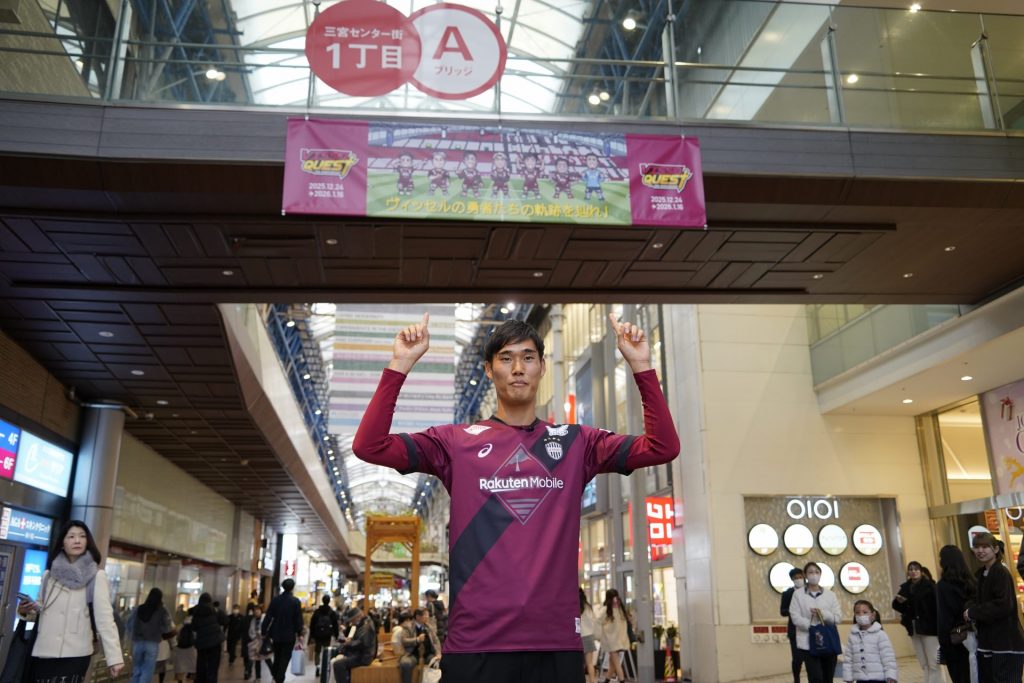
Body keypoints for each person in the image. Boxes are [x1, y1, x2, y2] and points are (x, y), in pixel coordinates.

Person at [352, 313, 679, 683]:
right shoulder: (454, 443)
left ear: (542, 367)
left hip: (555, 646)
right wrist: (399, 365)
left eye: (528, 357)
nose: (518, 368)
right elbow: (370, 446)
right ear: (489, 370)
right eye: (506, 358)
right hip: (475, 646)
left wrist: (641, 366)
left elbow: (662, 447)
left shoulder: (577, 443)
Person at [16, 520, 124, 682]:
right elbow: (41, 610)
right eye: (71, 536)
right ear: (62, 543)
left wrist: (114, 658)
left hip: (76, 653)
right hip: (44, 652)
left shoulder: (96, 576)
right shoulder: (48, 576)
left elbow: (105, 620)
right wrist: (25, 610)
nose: (77, 540)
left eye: (82, 536)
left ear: (87, 542)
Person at [964, 532, 1024, 683]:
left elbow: (1003, 605)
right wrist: (970, 609)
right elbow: (975, 599)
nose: (980, 551)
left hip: (1006, 643)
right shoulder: (982, 573)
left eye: (985, 547)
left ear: (995, 549)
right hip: (988, 641)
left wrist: (973, 612)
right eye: (976, 547)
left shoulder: (1000, 572)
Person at [789, 561, 842, 683]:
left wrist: (823, 613)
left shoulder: (830, 595)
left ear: (820, 574)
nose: (814, 575)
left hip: (828, 641)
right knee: (815, 677)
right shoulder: (797, 595)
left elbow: (838, 617)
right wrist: (811, 625)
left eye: (817, 572)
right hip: (808, 643)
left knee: (828, 677)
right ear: (805, 575)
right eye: (811, 572)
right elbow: (795, 616)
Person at [892, 561, 940, 683]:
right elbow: (897, 606)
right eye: (911, 569)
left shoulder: (930, 586)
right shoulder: (905, 587)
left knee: (933, 661)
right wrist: (899, 602)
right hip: (913, 627)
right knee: (923, 662)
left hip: (929, 627)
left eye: (916, 569)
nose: (913, 571)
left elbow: (935, 607)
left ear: (921, 571)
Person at [936, 544, 976, 683]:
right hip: (974, 637)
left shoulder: (943, 585)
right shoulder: (972, 582)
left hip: (955, 639)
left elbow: (944, 618)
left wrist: (943, 644)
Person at [127, 587, 175, 683]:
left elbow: (129, 623)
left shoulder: (139, 609)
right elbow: (167, 627)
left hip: (138, 643)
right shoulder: (161, 610)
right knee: (147, 671)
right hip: (152, 643)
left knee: (137, 669)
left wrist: (133, 635)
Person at [842, 600, 897, 683]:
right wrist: (848, 677)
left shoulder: (880, 634)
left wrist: (891, 675)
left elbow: (888, 657)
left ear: (873, 615)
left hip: (879, 679)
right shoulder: (852, 636)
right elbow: (848, 659)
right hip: (861, 679)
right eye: (857, 612)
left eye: (865, 612)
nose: (861, 615)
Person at [263, 578, 304, 683]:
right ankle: (279, 678)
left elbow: (268, 616)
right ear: (292, 588)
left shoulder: (276, 600)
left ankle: (276, 676)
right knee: (285, 658)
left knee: (277, 656)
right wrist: (300, 633)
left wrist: (264, 630)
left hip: (276, 634)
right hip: (289, 635)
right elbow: (298, 619)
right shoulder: (295, 601)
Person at [331, 606, 377, 683]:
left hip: (364, 656)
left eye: (352, 620)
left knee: (338, 664)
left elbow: (363, 643)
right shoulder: (364, 623)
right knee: (340, 655)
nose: (352, 623)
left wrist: (349, 643)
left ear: (358, 617)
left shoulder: (366, 626)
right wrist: (350, 641)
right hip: (362, 653)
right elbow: (360, 640)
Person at [191, 592, 225, 683]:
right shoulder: (215, 610)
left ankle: (201, 680)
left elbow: (193, 626)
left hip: (202, 643)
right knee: (213, 666)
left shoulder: (196, 611)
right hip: (215, 642)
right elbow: (225, 620)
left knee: (201, 665)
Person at [600, 589, 632, 683]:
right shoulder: (621, 609)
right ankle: (606, 681)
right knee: (613, 664)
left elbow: (598, 621)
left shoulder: (606, 609)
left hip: (612, 641)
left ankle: (622, 681)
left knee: (616, 664)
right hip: (621, 640)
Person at [780, 567, 805, 683]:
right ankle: (796, 679)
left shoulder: (810, 591)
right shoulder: (787, 593)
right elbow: (782, 612)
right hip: (795, 631)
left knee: (811, 658)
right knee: (797, 658)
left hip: (810, 629)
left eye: (800, 577)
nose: (798, 579)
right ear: (792, 580)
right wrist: (793, 610)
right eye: (795, 578)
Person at [309, 594, 340, 677]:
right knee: (326, 651)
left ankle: (317, 666)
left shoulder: (317, 611)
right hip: (327, 635)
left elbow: (312, 624)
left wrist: (311, 636)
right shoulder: (331, 612)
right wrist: (336, 635)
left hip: (318, 635)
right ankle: (325, 666)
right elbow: (335, 624)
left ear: (322, 601)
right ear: (329, 601)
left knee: (317, 651)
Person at [391, 611, 421, 683]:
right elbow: (400, 646)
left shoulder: (398, 629)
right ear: (402, 622)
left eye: (410, 620)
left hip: (401, 655)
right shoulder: (400, 630)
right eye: (407, 620)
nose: (410, 622)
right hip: (402, 655)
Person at [580, 589, 598, 683]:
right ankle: (592, 681)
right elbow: (594, 621)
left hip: (580, 637)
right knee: (590, 663)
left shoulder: (576, 607)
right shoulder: (588, 607)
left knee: (580, 664)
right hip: (590, 637)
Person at [172, 614, 197, 683]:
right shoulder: (195, 626)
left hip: (180, 649)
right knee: (193, 666)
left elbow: (175, 634)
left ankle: (180, 681)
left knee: (180, 667)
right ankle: (192, 679)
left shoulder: (181, 625)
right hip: (191, 649)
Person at [246, 605, 267, 681]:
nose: (256, 612)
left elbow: (267, 628)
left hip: (264, 642)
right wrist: (254, 636)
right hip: (255, 642)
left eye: (258, 610)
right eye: (255, 610)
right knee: (257, 660)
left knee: (268, 660)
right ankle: (258, 677)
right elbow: (250, 631)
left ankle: (275, 676)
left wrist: (261, 633)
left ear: (261, 610)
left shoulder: (265, 618)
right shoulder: (253, 620)